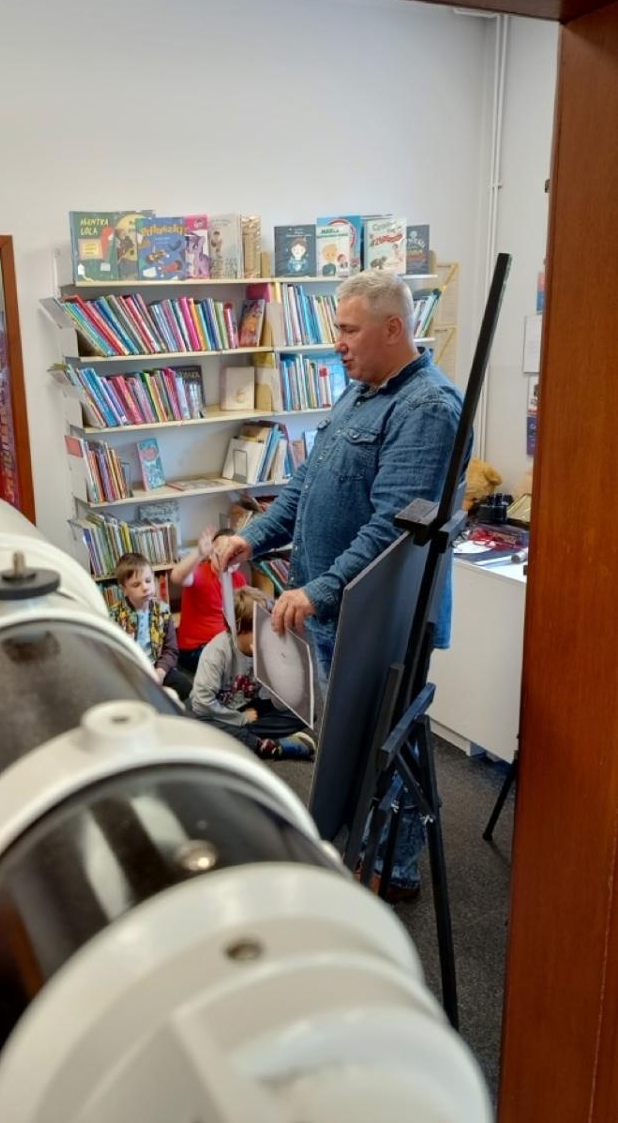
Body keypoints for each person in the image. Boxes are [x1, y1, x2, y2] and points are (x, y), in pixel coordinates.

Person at [220, 271, 464, 898]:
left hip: (382, 616)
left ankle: (395, 868)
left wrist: (321, 589)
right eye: (336, 329)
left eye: (349, 330)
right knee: (352, 741)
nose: (338, 343)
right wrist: (256, 535)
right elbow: (305, 485)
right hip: (339, 609)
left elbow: (393, 528)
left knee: (390, 740)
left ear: (393, 328)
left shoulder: (428, 408)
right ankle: (362, 845)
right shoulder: (361, 391)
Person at [189, 586, 316, 761]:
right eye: (259, 628)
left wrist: (273, 669)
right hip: (214, 712)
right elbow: (201, 703)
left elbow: (280, 705)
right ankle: (266, 746)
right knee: (198, 724)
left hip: (246, 708)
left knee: (303, 713)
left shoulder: (265, 650)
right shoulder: (217, 653)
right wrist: (239, 719)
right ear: (239, 627)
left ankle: (238, 739)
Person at [108, 553, 192, 701]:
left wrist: (160, 672)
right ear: (124, 589)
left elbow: (171, 649)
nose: (145, 588)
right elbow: (112, 654)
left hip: (155, 667)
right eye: (136, 584)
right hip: (131, 671)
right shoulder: (114, 616)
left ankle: (152, 699)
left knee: (184, 686)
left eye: (148, 580)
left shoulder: (163, 610)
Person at [172, 527, 247, 674]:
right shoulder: (200, 572)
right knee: (230, 667)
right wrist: (199, 553)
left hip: (225, 643)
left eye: (234, 557)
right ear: (212, 554)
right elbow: (177, 576)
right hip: (195, 648)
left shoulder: (238, 578)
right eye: (223, 555)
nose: (229, 561)